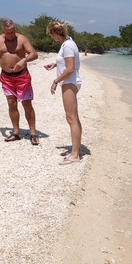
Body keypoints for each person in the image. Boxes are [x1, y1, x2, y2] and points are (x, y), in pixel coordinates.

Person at [0, 19, 39, 145]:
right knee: (11, 103)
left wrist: (23, 61)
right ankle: (16, 132)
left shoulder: (22, 39)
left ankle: (33, 132)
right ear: (3, 31)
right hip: (6, 77)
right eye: (7, 33)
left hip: (22, 76)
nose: (10, 35)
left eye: (12, 32)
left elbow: (34, 54)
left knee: (26, 104)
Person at [44, 21, 83, 165]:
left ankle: (75, 155)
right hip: (71, 81)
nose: (51, 38)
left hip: (69, 82)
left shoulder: (66, 46)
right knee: (74, 118)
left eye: (50, 35)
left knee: (71, 118)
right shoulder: (69, 42)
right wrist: (55, 64)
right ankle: (76, 149)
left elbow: (70, 68)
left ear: (54, 34)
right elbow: (67, 63)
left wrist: (55, 81)